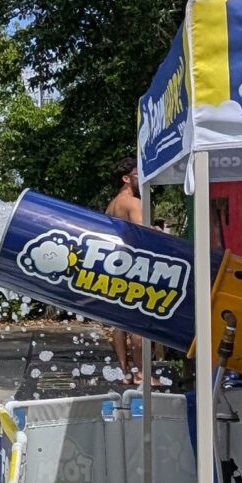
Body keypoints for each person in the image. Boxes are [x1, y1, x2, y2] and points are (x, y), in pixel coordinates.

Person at [104, 163, 154, 391]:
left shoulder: (111, 205)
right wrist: (159, 232)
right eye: (138, 175)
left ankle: (125, 372)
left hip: (114, 267)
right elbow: (145, 234)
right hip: (132, 266)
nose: (142, 179)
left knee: (119, 323)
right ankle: (141, 374)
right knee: (136, 323)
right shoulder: (133, 203)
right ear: (126, 178)